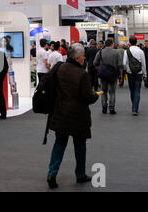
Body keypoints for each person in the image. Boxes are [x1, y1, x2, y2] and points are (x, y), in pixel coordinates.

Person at [47, 43, 99, 189]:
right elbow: (87, 97)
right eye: (83, 56)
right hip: (78, 115)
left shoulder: (60, 68)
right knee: (80, 145)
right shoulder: (82, 74)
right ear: (77, 58)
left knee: (59, 144)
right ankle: (80, 174)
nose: (84, 58)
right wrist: (95, 96)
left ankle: (52, 173)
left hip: (61, 112)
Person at [93, 38, 123, 114]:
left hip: (103, 75)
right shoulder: (117, 52)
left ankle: (104, 107)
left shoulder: (100, 52)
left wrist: (100, 69)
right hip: (113, 74)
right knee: (112, 92)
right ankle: (112, 108)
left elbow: (94, 63)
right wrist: (121, 76)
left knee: (103, 91)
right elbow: (120, 65)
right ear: (112, 44)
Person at [123, 36, 147, 116]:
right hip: (139, 73)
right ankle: (135, 108)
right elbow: (143, 64)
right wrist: (145, 74)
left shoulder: (126, 51)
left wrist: (127, 70)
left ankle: (134, 105)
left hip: (130, 73)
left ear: (129, 42)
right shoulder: (141, 51)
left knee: (132, 90)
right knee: (137, 90)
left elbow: (124, 63)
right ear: (136, 42)